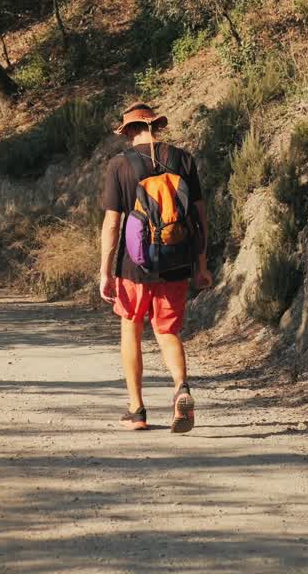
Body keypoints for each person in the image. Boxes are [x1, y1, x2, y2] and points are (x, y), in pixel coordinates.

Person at [99, 102, 211, 433]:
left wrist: (105, 271)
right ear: (156, 127)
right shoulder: (183, 159)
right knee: (167, 331)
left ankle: (137, 410)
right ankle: (181, 389)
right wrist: (201, 265)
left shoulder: (119, 165)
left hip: (133, 265)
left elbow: (112, 224)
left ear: (128, 131)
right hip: (177, 260)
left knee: (131, 328)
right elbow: (201, 219)